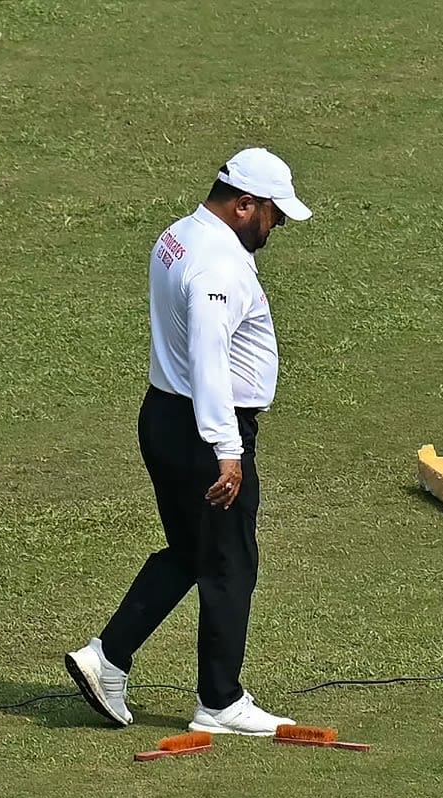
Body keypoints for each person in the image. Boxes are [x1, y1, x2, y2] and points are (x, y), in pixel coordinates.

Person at [65, 148, 312, 734]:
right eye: (273, 215)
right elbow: (208, 359)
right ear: (243, 204)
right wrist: (228, 449)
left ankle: (107, 657)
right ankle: (220, 702)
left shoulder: (180, 234)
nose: (275, 227)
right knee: (230, 564)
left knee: (190, 551)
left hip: (167, 417)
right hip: (205, 430)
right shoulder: (219, 267)